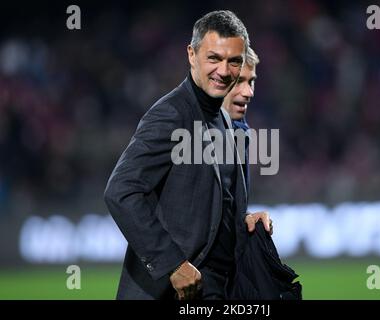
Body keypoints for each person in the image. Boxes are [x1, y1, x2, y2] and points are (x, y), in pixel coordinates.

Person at [104, 10, 272, 300]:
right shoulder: (171, 114)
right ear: (192, 55)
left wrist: (243, 222)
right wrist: (172, 264)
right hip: (170, 291)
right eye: (213, 58)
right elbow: (121, 191)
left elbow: (207, 205)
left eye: (234, 61)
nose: (224, 70)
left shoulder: (225, 121)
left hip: (215, 291)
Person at [222, 47, 259, 192]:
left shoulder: (239, 130)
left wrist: (245, 215)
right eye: (238, 81)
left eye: (250, 82)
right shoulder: (187, 132)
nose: (248, 92)